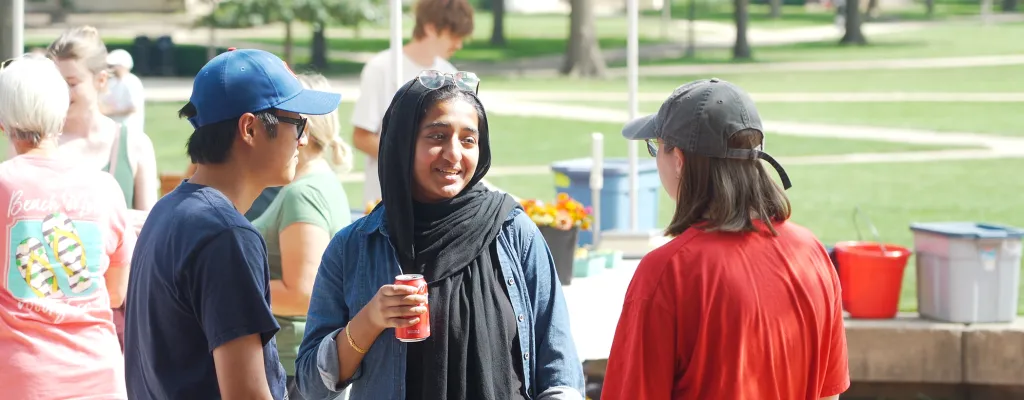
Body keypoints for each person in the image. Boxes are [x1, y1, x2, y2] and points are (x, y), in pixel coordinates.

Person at [295, 73, 585, 400]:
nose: (454, 154)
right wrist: (370, 320)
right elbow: (310, 386)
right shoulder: (356, 246)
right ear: (403, 142)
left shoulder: (511, 230)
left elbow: (558, 362)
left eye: (468, 140)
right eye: (437, 136)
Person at [601, 78, 850, 400]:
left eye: (655, 147)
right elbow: (828, 394)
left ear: (678, 159)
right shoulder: (811, 251)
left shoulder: (669, 271)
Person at [123, 48, 341, 400]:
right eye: (297, 123)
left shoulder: (169, 210)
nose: (303, 139)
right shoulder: (225, 235)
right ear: (250, 128)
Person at [0, 54, 136, 399]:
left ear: (3, 122)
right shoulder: (105, 187)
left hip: (21, 377)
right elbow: (117, 292)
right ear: (61, 114)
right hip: (99, 376)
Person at [47, 25, 158, 352]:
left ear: (101, 81)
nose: (62, 94)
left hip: (120, 314)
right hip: (53, 309)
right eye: (55, 84)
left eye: (71, 83)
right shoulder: (42, 145)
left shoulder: (133, 144)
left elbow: (150, 228)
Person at [251, 73, 354, 400]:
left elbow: (303, 294)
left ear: (302, 132)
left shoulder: (303, 193)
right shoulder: (321, 182)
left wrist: (229, 289)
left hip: (292, 367)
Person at [102, 49, 146, 134]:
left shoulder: (132, 82)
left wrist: (109, 112)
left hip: (130, 129)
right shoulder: (112, 82)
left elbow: (133, 108)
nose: (111, 68)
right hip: (114, 129)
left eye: (114, 66)